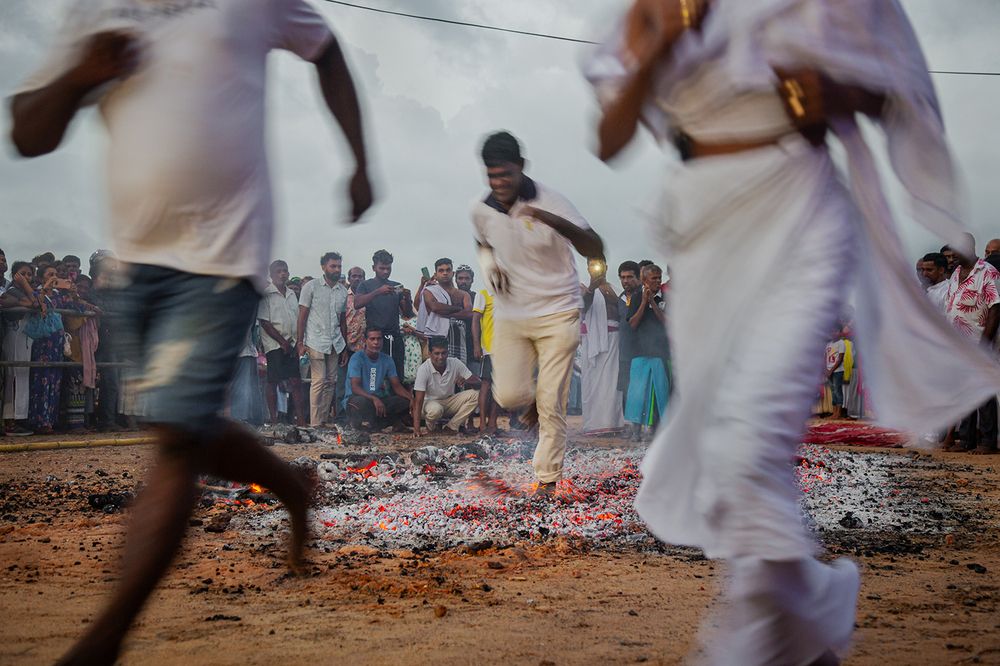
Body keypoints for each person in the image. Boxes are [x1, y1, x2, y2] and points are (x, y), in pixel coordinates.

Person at [586, 1, 1000, 663]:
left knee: (748, 451)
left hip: (799, 212)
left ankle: (753, 646)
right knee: (728, 457)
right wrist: (666, 39)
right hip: (704, 232)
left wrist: (831, 91)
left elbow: (893, 88)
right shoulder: (656, 7)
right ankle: (814, 628)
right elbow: (609, 137)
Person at [10, 0, 373, 661]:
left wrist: (360, 161)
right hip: (134, 261)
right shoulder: (95, 8)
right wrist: (81, 74)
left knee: (177, 439)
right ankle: (292, 487)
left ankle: (101, 644)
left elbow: (326, 50)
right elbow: (28, 133)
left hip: (224, 251)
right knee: (183, 423)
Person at [471, 131, 605, 490]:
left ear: (521, 167)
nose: (499, 183)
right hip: (511, 315)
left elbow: (595, 246)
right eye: (492, 176)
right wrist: (490, 268)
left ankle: (546, 480)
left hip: (559, 311)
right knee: (508, 396)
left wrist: (545, 217)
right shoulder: (481, 210)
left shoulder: (553, 201)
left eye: (506, 175)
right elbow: (482, 243)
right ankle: (536, 399)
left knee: (550, 402)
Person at [944, 241, 1000, 454]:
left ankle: (987, 441)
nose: (951, 259)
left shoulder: (988, 272)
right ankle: (966, 439)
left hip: (979, 342)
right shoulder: (956, 274)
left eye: (955, 254)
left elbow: (995, 308)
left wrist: (984, 344)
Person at [296, 252, 349, 427]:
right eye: (333, 266)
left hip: (335, 341)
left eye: (339, 266)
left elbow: (342, 320)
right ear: (323, 267)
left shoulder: (342, 291)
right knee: (318, 381)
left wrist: (344, 347)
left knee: (331, 381)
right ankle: (315, 422)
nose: (337, 269)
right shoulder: (311, 287)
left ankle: (323, 419)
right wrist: (300, 342)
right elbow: (302, 316)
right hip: (315, 339)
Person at [623, 263, 671, 440]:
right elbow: (633, 323)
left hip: (660, 353)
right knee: (637, 393)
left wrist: (653, 302)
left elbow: (667, 323)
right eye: (654, 278)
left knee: (660, 392)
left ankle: (655, 430)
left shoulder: (665, 297)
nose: (658, 281)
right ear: (645, 281)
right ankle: (636, 429)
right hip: (640, 352)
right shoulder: (636, 298)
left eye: (659, 278)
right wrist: (644, 301)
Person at [257, 259, 305, 425]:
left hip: (291, 343)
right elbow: (265, 322)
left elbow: (296, 319)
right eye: (278, 271)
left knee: (295, 381)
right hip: (274, 344)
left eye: (285, 271)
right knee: (273, 381)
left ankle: (300, 419)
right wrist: (282, 342)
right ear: (271, 275)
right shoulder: (266, 295)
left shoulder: (292, 294)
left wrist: (296, 341)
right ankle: (274, 419)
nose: (282, 274)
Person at [581, 258, 624, 434]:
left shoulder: (616, 290)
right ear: (588, 268)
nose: (596, 268)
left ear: (606, 267)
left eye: (598, 264)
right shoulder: (583, 288)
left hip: (614, 339)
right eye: (592, 264)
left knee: (612, 382)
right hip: (593, 340)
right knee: (593, 383)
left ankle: (612, 423)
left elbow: (623, 309)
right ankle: (594, 425)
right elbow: (583, 305)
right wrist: (592, 288)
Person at [354, 250, 414, 377]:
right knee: (374, 376)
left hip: (394, 336)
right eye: (382, 268)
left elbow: (407, 313)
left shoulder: (396, 286)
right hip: (375, 338)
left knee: (396, 375)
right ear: (374, 268)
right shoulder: (365, 285)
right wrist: (378, 292)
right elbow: (357, 303)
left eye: (388, 268)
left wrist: (407, 298)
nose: (386, 271)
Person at [344, 326, 412, 431]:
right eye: (372, 339)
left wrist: (412, 399)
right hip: (362, 399)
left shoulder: (387, 359)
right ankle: (357, 426)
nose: (376, 342)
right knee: (358, 402)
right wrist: (373, 399)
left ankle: (379, 424)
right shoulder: (357, 358)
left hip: (380, 401)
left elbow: (397, 386)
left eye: (379, 339)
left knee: (405, 402)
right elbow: (355, 387)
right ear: (365, 340)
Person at [412, 336, 481, 436]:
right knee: (435, 410)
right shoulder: (423, 369)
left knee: (476, 395)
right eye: (437, 353)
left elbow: (478, 382)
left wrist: (466, 381)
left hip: (449, 402)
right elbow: (418, 401)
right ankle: (430, 427)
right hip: (429, 404)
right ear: (429, 354)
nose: (440, 357)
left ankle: (452, 427)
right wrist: (416, 429)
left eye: (443, 353)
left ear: (448, 352)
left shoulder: (455, 363)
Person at [1, 261, 37, 436]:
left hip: (25, 339)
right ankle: (10, 421)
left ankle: (19, 418)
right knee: (12, 376)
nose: (27, 277)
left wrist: (28, 290)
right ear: (14, 275)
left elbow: (38, 303)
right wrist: (26, 289)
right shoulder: (11, 292)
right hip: (13, 337)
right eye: (23, 274)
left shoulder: (25, 291)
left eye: (29, 274)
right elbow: (34, 303)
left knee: (22, 375)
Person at [472, 286, 500, 435]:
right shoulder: (483, 293)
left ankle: (493, 423)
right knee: (486, 384)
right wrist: (477, 345)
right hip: (489, 348)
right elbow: (475, 320)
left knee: (499, 387)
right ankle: (482, 423)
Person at [417, 258, 461, 343]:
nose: (445, 273)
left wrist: (445, 312)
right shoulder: (429, 290)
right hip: (437, 337)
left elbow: (468, 313)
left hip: (457, 335)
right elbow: (435, 307)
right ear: (435, 275)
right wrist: (458, 308)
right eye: (441, 270)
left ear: (453, 273)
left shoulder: (461, 294)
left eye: (448, 270)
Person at [616, 260, 642, 407]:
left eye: (630, 277)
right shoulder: (619, 299)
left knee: (642, 391)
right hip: (624, 355)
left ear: (638, 277)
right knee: (626, 393)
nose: (626, 281)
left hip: (643, 353)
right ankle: (629, 421)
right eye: (623, 277)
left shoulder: (645, 296)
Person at [824, 330, 847, 420]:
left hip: (838, 371)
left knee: (838, 391)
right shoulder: (828, 344)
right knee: (833, 391)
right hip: (829, 370)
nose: (833, 333)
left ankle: (838, 413)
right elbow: (825, 357)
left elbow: (840, 359)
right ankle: (834, 412)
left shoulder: (841, 343)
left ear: (840, 333)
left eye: (836, 331)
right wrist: (826, 369)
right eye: (832, 331)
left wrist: (831, 370)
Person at [345, 266, 367, 352]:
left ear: (364, 279)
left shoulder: (369, 297)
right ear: (349, 279)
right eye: (354, 276)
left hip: (366, 346)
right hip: (347, 344)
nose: (357, 279)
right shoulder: (343, 297)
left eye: (360, 276)